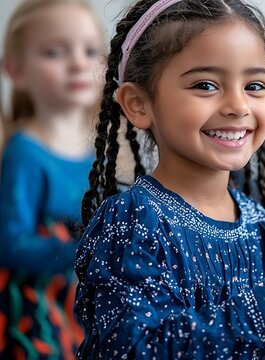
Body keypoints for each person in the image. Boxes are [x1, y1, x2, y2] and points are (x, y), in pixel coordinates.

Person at [74, 1, 265, 358]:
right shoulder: (133, 223)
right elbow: (135, 349)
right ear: (138, 103)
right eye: (206, 85)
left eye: (255, 85)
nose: (238, 106)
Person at [0, 1, 103, 358]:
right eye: (54, 52)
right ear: (15, 70)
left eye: (90, 51)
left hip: (83, 308)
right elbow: (10, 244)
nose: (78, 63)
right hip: (38, 319)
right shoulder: (25, 152)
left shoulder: (100, 151)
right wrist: (83, 251)